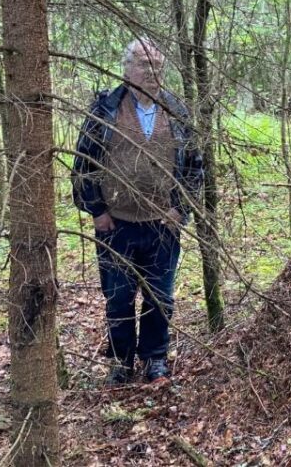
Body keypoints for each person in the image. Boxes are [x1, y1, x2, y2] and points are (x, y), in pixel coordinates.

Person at [71, 37, 203, 385]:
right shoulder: (106, 109)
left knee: (160, 297)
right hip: (117, 225)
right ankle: (120, 361)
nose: (151, 73)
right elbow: (84, 163)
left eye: (157, 67)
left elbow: (194, 165)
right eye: (144, 66)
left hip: (162, 225)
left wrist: (180, 210)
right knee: (118, 298)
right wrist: (97, 211)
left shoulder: (176, 111)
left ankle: (155, 358)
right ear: (127, 68)